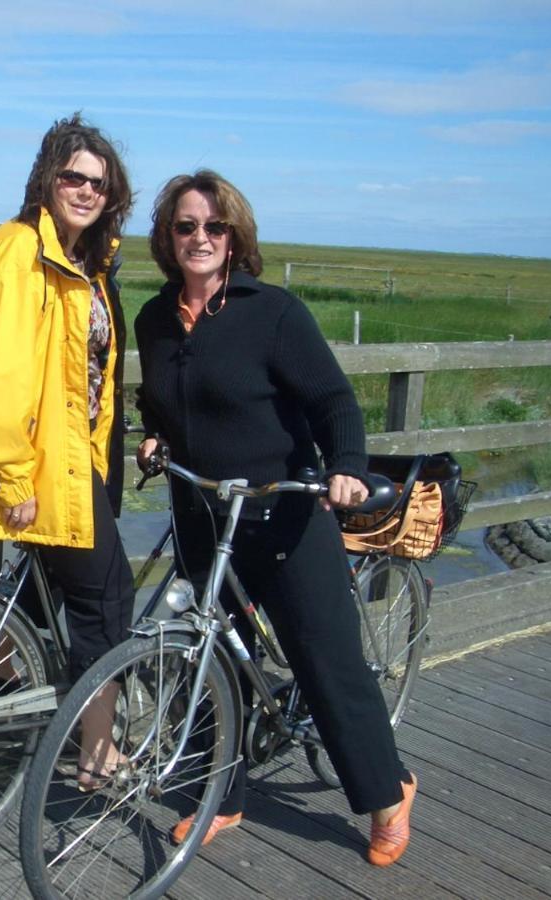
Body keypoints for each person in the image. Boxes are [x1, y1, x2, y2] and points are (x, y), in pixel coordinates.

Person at [133, 169, 417, 866]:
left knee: (325, 658)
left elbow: (333, 401)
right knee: (209, 656)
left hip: (285, 511)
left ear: (235, 236)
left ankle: (387, 791)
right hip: (204, 515)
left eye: (214, 226)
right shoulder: (153, 317)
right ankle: (222, 795)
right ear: (168, 238)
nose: (200, 237)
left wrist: (347, 465)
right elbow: (169, 402)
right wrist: (154, 436)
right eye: (186, 226)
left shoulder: (275, 311)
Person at [0, 114, 135, 788]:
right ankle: (96, 750)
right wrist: (11, 475)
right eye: (73, 176)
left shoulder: (86, 259)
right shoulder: (15, 254)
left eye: (99, 183)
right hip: (43, 467)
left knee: (50, 597)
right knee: (108, 601)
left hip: (81, 459)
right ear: (47, 178)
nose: (85, 190)